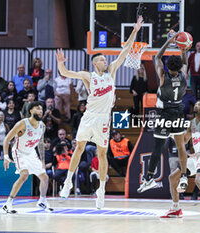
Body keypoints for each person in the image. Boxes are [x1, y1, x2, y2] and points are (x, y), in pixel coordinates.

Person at [55, 16, 144, 209]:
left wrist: (135, 31)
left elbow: (126, 50)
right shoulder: (89, 76)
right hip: (89, 117)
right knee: (78, 149)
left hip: (104, 119)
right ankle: (68, 182)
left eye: (105, 58)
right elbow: (66, 72)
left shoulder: (112, 70)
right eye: (102, 59)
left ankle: (101, 190)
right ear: (96, 63)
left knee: (102, 155)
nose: (106, 60)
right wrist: (61, 63)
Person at [137, 30, 189, 194]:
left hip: (165, 114)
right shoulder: (183, 76)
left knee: (158, 147)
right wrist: (183, 49)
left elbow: (157, 57)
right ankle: (184, 176)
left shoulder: (162, 75)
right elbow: (185, 63)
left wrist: (169, 41)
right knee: (181, 146)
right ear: (180, 67)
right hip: (179, 112)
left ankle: (149, 178)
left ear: (167, 67)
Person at [160, 100, 200, 222]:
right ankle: (176, 209)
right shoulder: (191, 124)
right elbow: (183, 141)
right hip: (197, 157)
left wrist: (199, 153)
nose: (198, 105)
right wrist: (171, 134)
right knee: (172, 178)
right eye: (197, 104)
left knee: (199, 180)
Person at [2, 101, 53, 213]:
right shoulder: (22, 124)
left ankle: (42, 202)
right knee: (24, 175)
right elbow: (7, 139)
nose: (41, 111)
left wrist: (43, 160)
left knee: (44, 177)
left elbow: (40, 143)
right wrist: (6, 156)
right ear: (31, 111)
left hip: (31, 152)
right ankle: (8, 204)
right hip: (19, 152)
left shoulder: (42, 126)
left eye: (41, 109)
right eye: (38, 108)